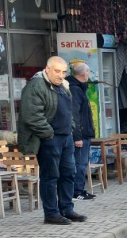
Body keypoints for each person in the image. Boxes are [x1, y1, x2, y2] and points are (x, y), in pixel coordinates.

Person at [18, 56, 87, 226]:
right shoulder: (35, 86)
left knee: (69, 173)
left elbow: (68, 111)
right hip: (50, 139)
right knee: (51, 176)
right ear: (47, 69)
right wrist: (49, 134)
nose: (61, 75)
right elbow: (32, 116)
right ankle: (51, 213)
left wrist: (70, 128)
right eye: (57, 71)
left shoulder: (63, 85)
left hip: (66, 138)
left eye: (64, 72)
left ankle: (66, 209)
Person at [67, 60, 97, 200]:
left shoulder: (79, 87)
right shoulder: (75, 89)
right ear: (83, 73)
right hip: (80, 134)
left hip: (84, 132)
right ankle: (76, 192)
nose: (89, 74)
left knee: (81, 162)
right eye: (88, 71)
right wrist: (77, 136)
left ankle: (78, 190)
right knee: (79, 163)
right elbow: (74, 115)